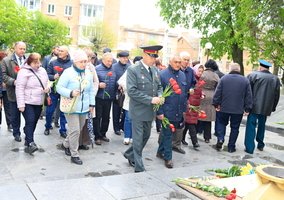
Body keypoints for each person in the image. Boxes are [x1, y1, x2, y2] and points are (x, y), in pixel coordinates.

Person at [123, 45, 163, 173]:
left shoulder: (155, 70)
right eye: (152, 56)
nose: (154, 59)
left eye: (156, 56)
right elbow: (132, 91)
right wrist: (150, 99)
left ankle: (129, 154)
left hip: (150, 111)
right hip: (138, 111)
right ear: (145, 55)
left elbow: (159, 86)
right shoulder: (133, 70)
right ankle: (139, 167)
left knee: (146, 136)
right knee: (139, 138)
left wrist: (161, 95)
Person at [56, 49, 95, 165]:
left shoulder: (88, 73)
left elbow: (91, 90)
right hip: (71, 107)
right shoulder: (68, 72)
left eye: (85, 61)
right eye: (81, 62)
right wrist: (71, 92)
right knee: (75, 130)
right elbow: (59, 87)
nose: (84, 64)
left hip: (84, 107)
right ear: (75, 62)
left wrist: (92, 104)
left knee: (78, 129)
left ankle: (66, 144)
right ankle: (74, 154)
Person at [212, 63, 252, 153]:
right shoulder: (245, 81)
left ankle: (221, 139)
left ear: (230, 69)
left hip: (224, 107)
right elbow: (248, 96)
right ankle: (231, 147)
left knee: (221, 123)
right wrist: (247, 108)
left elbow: (217, 93)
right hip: (238, 109)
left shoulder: (223, 79)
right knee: (235, 128)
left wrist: (216, 104)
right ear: (239, 70)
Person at [156, 54, 187, 168]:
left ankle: (160, 151)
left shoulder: (182, 75)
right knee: (169, 135)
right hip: (167, 110)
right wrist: (159, 112)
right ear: (170, 62)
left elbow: (183, 94)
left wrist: (184, 110)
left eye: (180, 62)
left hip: (178, 110)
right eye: (176, 62)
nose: (178, 64)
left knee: (167, 133)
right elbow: (158, 94)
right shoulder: (163, 75)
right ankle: (168, 158)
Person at [15, 53, 49, 154]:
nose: (38, 65)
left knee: (34, 121)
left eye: (39, 62)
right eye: (35, 63)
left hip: (39, 101)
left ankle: (27, 135)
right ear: (29, 62)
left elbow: (47, 83)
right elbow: (19, 88)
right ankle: (31, 143)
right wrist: (21, 105)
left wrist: (48, 88)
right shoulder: (23, 72)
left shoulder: (42, 70)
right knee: (30, 120)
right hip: (27, 101)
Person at [244, 59, 280, 154]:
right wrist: (273, 107)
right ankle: (260, 144)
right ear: (268, 68)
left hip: (253, 106)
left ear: (260, 67)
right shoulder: (275, 79)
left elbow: (248, 92)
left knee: (251, 126)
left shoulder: (253, 75)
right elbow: (277, 95)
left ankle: (249, 148)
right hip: (266, 107)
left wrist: (246, 106)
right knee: (262, 125)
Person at [44, 45, 73, 138]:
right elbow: (47, 75)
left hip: (65, 91)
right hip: (54, 91)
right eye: (59, 51)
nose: (59, 52)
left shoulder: (72, 63)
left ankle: (63, 129)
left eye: (62, 51)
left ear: (67, 53)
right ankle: (47, 126)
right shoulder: (53, 62)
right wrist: (53, 77)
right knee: (50, 111)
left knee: (63, 111)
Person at [2, 41, 26, 142]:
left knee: (29, 115)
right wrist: (13, 81)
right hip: (13, 92)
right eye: (21, 48)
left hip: (26, 93)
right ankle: (16, 133)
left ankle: (27, 131)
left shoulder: (28, 60)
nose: (23, 51)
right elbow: (3, 76)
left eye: (24, 49)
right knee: (15, 115)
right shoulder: (6, 60)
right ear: (15, 48)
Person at [93, 52, 117, 145]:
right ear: (103, 60)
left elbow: (115, 80)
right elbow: (92, 82)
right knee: (98, 117)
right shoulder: (97, 69)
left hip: (109, 96)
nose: (110, 63)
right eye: (108, 61)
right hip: (99, 97)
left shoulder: (114, 69)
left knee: (106, 117)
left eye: (111, 61)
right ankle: (97, 136)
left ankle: (103, 133)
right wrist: (98, 85)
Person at [182, 64, 205, 148]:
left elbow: (198, 91)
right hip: (190, 104)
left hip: (195, 104)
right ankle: (195, 142)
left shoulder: (199, 80)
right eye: (199, 71)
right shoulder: (192, 79)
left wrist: (201, 94)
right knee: (191, 123)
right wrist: (188, 103)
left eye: (202, 71)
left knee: (188, 123)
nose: (200, 73)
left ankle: (182, 137)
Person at [198, 59, 219, 143]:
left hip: (202, 94)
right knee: (208, 117)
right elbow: (218, 86)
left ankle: (197, 130)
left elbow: (198, 84)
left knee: (200, 113)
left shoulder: (202, 74)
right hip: (212, 95)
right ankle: (207, 137)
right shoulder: (215, 75)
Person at [112, 51, 130, 135]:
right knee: (116, 111)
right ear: (119, 58)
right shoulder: (114, 67)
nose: (125, 59)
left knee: (126, 110)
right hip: (117, 92)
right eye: (123, 58)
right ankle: (116, 128)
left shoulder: (129, 67)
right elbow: (112, 79)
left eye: (126, 58)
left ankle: (122, 125)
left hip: (127, 92)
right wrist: (118, 85)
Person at [0, 51, 11, 131]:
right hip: (1, 88)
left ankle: (9, 123)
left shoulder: (7, 65)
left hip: (6, 89)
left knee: (8, 107)